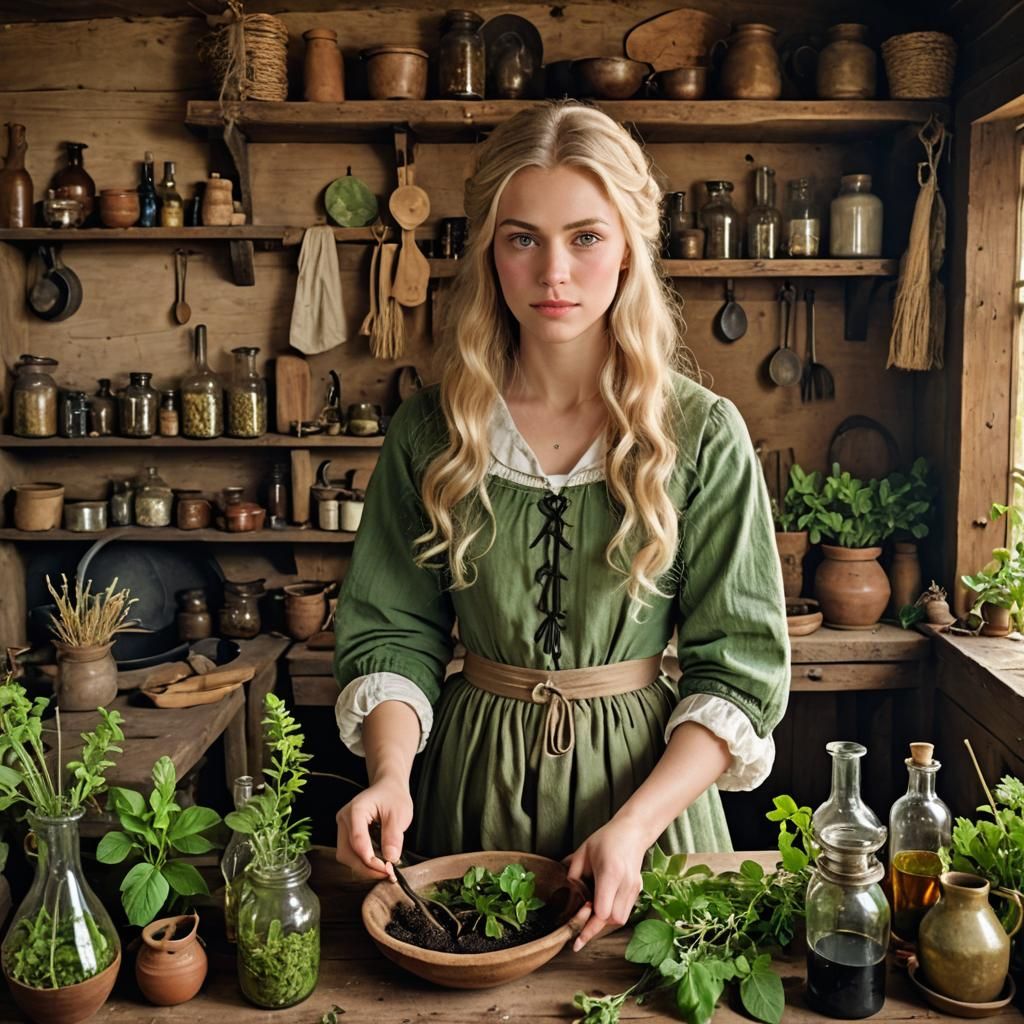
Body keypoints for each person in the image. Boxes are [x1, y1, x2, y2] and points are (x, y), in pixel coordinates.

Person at [333, 101, 789, 950]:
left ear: (628, 247)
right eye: (522, 237)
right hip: (469, 792)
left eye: (585, 236)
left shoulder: (703, 434)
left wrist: (637, 826)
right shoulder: (430, 432)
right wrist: (391, 775)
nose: (554, 273)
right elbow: (392, 632)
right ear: (488, 251)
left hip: (648, 812)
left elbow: (738, 670)